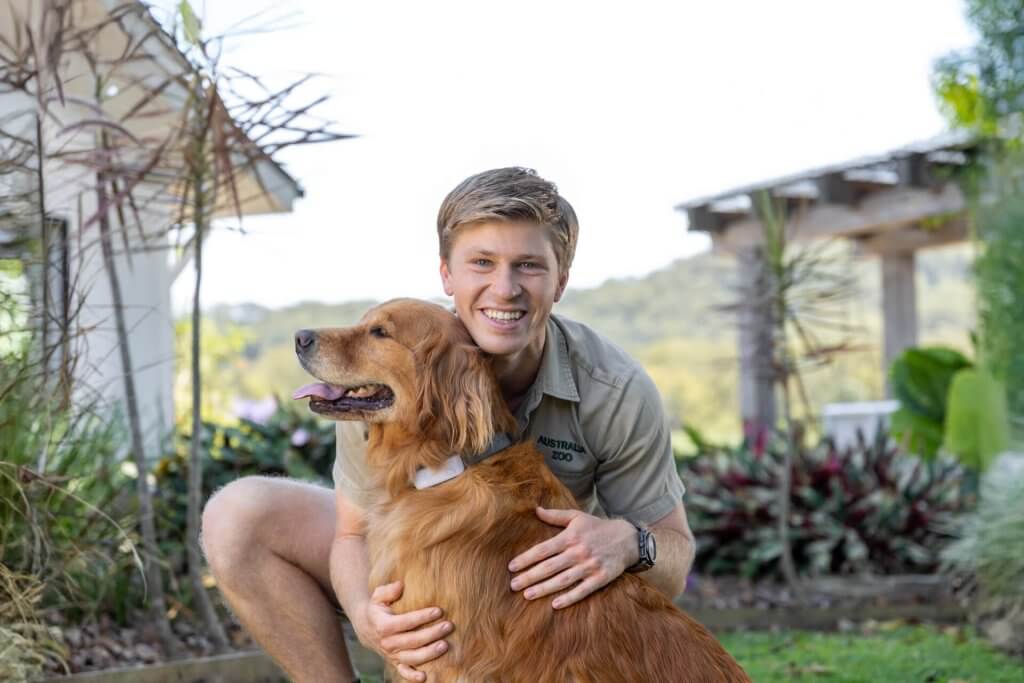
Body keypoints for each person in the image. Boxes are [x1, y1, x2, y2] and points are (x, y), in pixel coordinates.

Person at [201, 167, 696, 683]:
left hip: (539, 593)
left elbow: (674, 561)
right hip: (410, 538)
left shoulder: (613, 389)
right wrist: (370, 619)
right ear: (447, 274)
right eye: (482, 263)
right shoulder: (390, 377)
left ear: (561, 281)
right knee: (237, 516)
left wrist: (629, 544)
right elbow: (352, 533)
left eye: (528, 266)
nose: (504, 289)